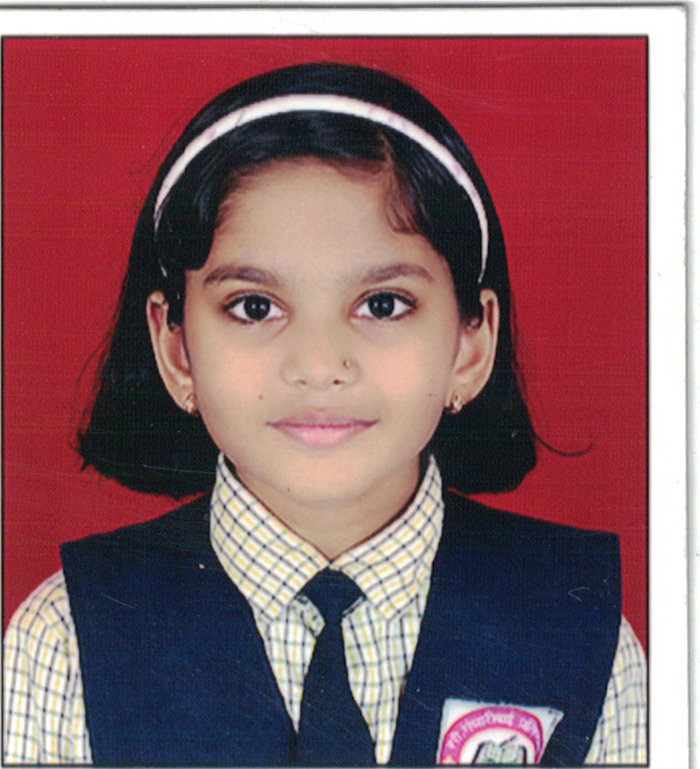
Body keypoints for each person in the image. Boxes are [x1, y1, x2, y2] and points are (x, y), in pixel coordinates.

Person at [3, 63, 646, 766]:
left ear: (471, 343)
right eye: (254, 307)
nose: (317, 364)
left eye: (382, 305)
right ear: (177, 348)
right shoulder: (65, 642)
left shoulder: (580, 630)